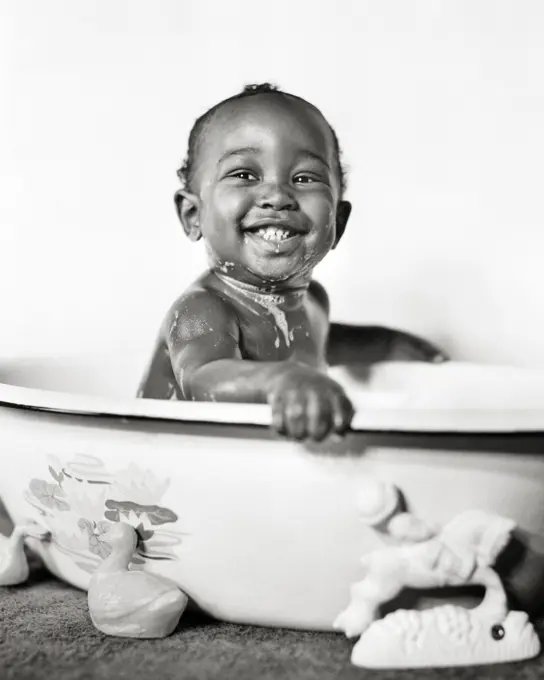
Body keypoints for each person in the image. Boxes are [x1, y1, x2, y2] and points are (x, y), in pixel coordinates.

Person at [138, 83, 447, 441]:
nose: (277, 196)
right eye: (244, 175)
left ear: (338, 223)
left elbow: (313, 341)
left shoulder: (314, 301)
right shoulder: (203, 310)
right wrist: (282, 381)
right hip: (172, 467)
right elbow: (203, 378)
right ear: (194, 215)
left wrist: (386, 344)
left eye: (304, 178)